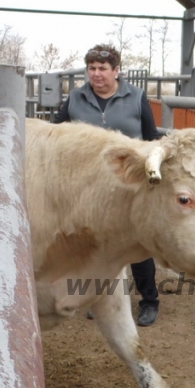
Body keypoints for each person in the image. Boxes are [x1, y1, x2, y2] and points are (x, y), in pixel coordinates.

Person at [53, 44, 163, 327]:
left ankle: (149, 301)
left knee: (138, 245)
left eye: (102, 69)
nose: (96, 74)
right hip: (87, 186)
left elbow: (151, 138)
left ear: (117, 71)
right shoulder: (75, 98)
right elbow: (55, 133)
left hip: (128, 184)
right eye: (91, 68)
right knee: (94, 243)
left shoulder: (137, 98)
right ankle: (96, 298)